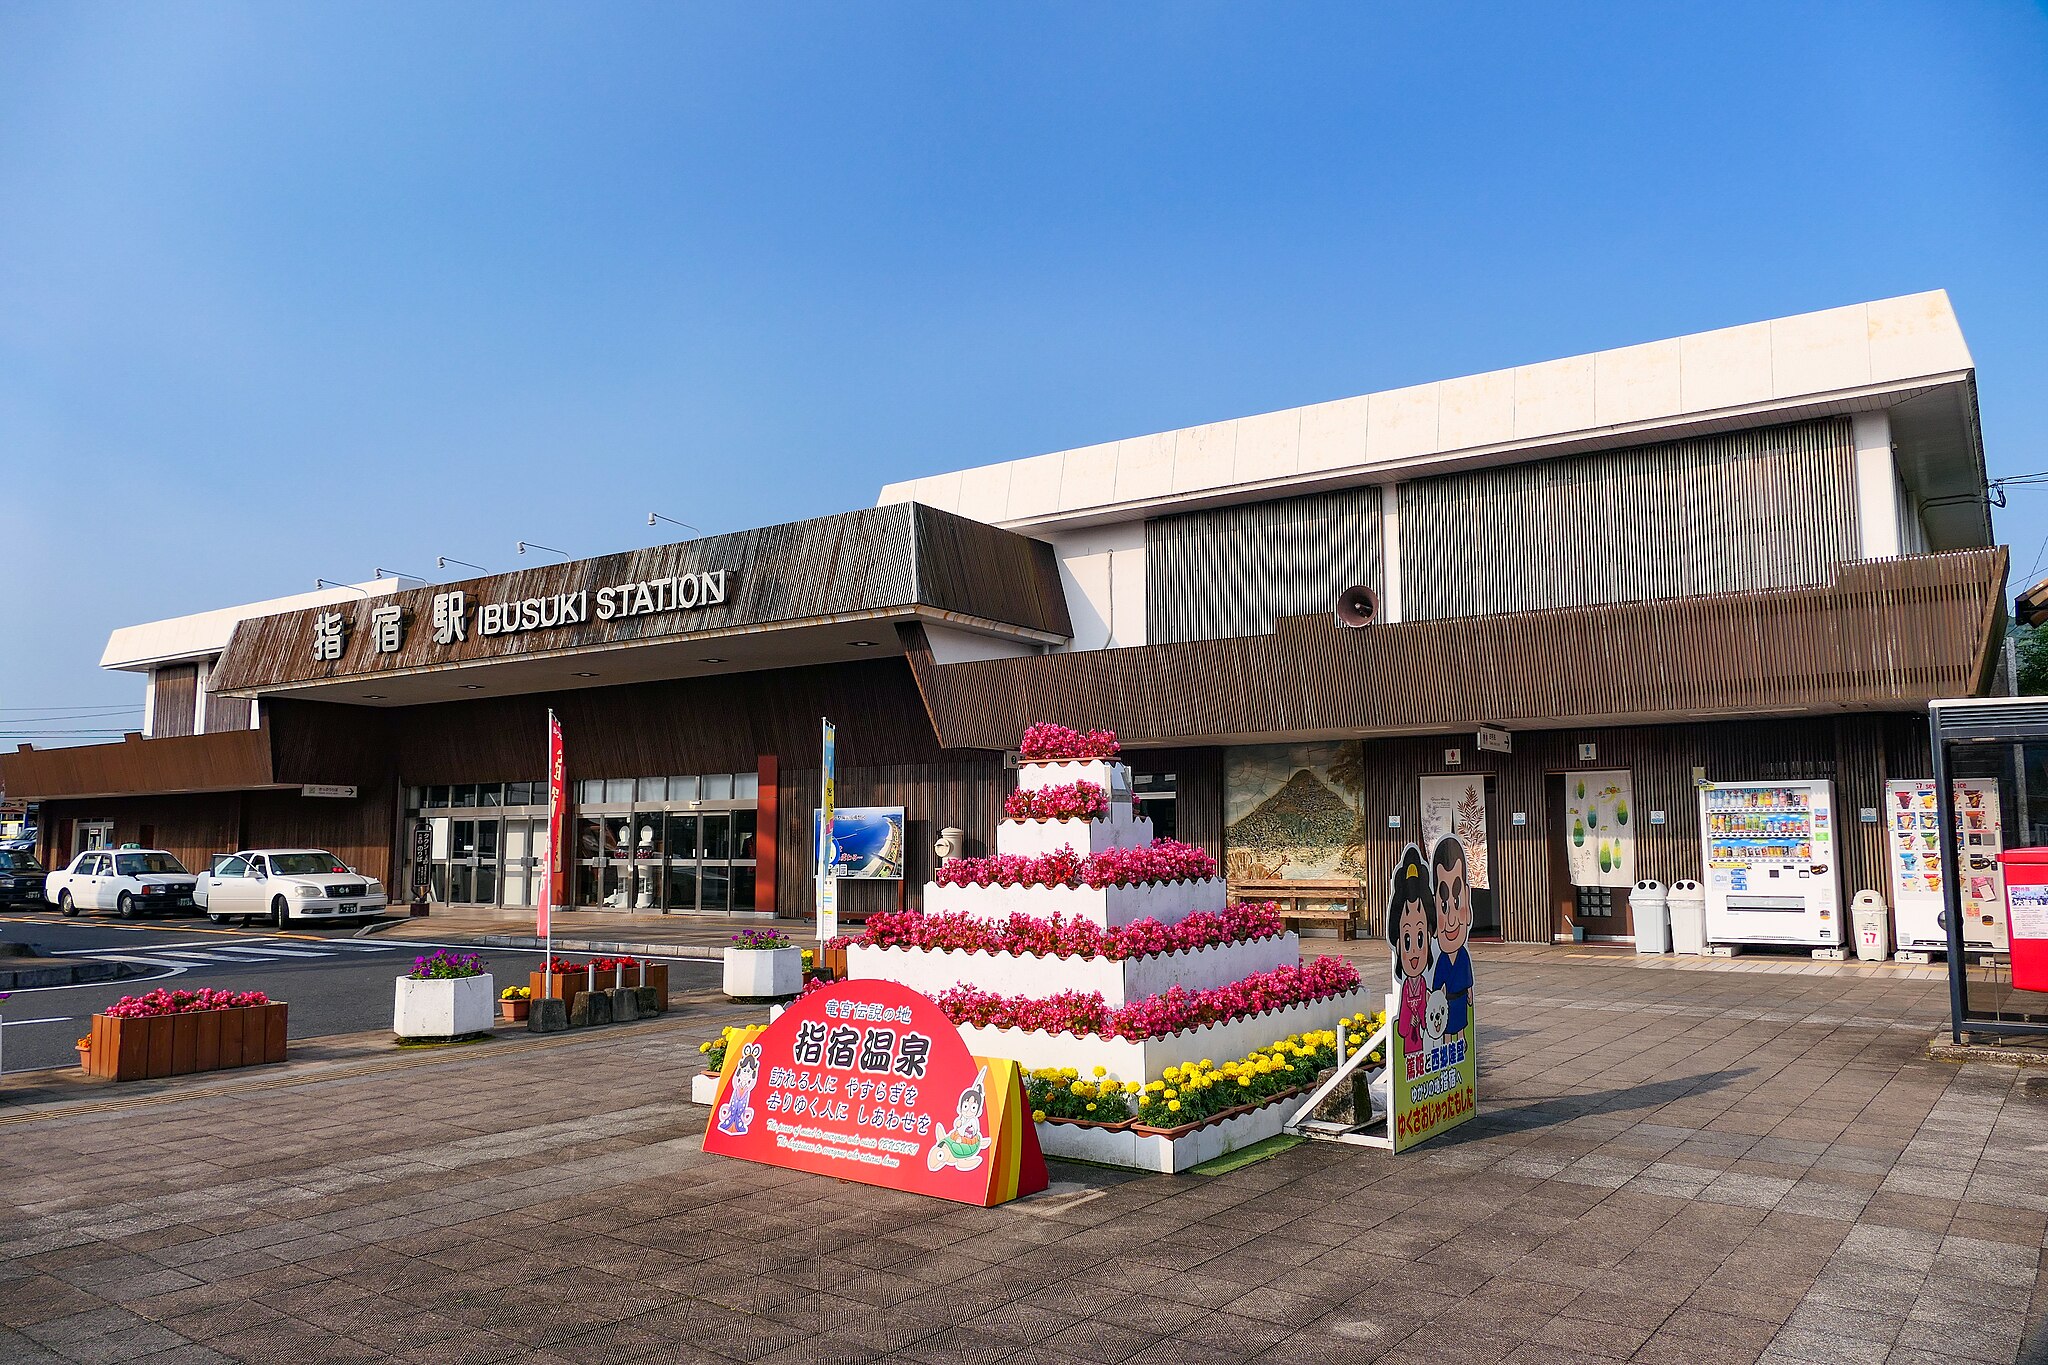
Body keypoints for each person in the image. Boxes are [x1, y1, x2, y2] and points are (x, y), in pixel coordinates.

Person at [1385, 844, 1435, 1056]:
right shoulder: (1407, 987)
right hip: (1409, 1041)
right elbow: (1402, 1022)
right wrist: (1411, 1019)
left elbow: (1427, 1011)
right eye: (1407, 940)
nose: (1414, 951)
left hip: (1421, 1039)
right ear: (1397, 943)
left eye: (1420, 938)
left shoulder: (1423, 982)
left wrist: (1425, 1015)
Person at [1430, 835, 1475, 1036]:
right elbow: (1437, 985)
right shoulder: (1442, 959)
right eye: (1443, 906)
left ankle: (1461, 1043)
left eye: (1457, 903)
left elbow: (1468, 977)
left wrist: (1470, 993)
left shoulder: (1463, 955)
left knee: (1461, 1025)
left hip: (1460, 999)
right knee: (1448, 1028)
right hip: (1447, 1002)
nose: (1451, 920)